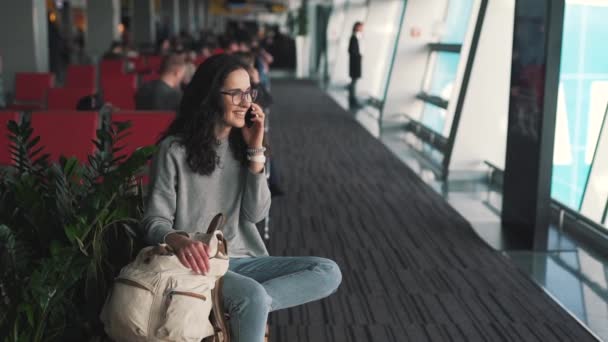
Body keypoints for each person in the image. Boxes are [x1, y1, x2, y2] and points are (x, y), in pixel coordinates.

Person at [141, 54, 342, 341]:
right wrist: (179, 240)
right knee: (254, 297)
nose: (246, 102)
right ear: (210, 96)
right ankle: (247, 306)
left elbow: (256, 214)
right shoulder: (174, 150)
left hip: (245, 259)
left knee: (327, 271)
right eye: (235, 93)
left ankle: (239, 308)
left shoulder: (244, 146)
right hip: (201, 265)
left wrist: (256, 151)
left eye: (249, 92)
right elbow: (153, 220)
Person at [348, 22, 364, 108]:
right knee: (354, 81)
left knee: (354, 81)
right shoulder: (354, 38)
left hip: (355, 62)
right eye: (361, 27)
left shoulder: (356, 37)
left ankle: (352, 99)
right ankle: (352, 99)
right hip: (355, 63)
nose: (362, 29)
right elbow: (351, 50)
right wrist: (359, 56)